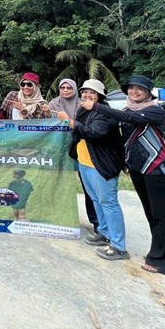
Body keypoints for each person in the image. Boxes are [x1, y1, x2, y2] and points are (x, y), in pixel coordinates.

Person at [87, 74, 165, 275]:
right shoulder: (127, 110)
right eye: (131, 88)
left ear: (148, 93)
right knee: (151, 214)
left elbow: (130, 119)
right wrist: (125, 163)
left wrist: (96, 106)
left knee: (161, 216)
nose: (134, 91)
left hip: (158, 171)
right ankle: (157, 252)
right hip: (138, 170)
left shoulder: (154, 110)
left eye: (140, 88)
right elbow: (125, 138)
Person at [56, 79, 127, 261]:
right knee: (95, 199)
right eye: (85, 92)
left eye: (92, 93)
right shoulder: (83, 110)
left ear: (100, 96)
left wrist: (69, 121)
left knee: (108, 202)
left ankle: (119, 246)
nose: (87, 95)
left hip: (102, 164)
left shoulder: (106, 113)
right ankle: (103, 232)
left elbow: (94, 133)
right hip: (84, 162)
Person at [48, 78, 100, 236]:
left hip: (82, 150)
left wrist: (67, 121)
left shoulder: (83, 104)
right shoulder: (53, 104)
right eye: (62, 87)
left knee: (89, 188)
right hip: (59, 149)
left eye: (69, 87)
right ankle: (56, 217)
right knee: (57, 184)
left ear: (75, 89)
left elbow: (87, 128)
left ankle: (97, 223)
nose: (65, 90)